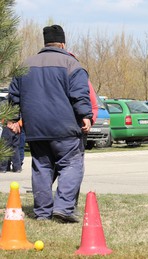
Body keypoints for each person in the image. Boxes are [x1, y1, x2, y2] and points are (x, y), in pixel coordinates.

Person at [8, 24, 92, 223]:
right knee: (71, 165)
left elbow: (13, 97)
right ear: (63, 44)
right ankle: (63, 208)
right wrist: (85, 115)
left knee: (42, 167)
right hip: (65, 129)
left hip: (36, 129)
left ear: (45, 43)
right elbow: (79, 94)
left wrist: (12, 120)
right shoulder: (72, 65)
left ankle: (42, 213)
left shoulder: (25, 65)